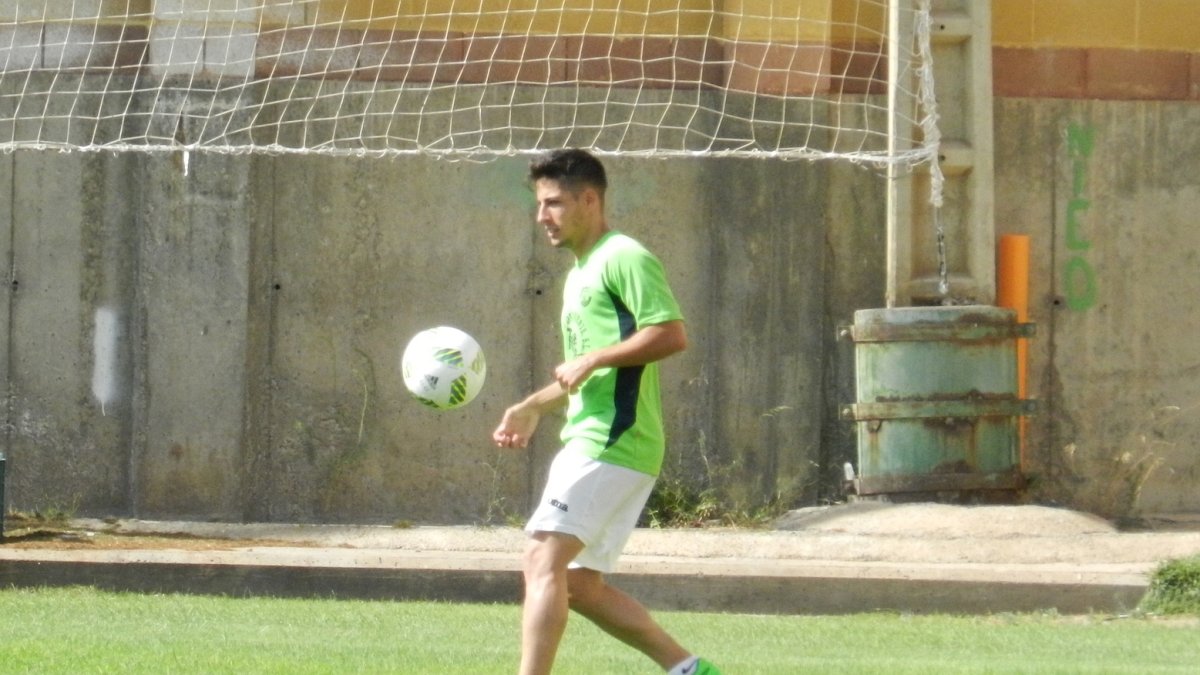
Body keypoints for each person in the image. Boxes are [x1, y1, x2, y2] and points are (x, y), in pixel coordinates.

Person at [493, 148, 720, 675]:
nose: (541, 217)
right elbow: (592, 374)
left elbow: (669, 334)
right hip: (599, 436)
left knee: (540, 558)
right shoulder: (580, 273)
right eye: (539, 204)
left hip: (614, 438)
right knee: (577, 584)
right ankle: (689, 669)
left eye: (552, 203)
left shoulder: (624, 256)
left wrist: (593, 356)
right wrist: (532, 406)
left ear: (589, 199)